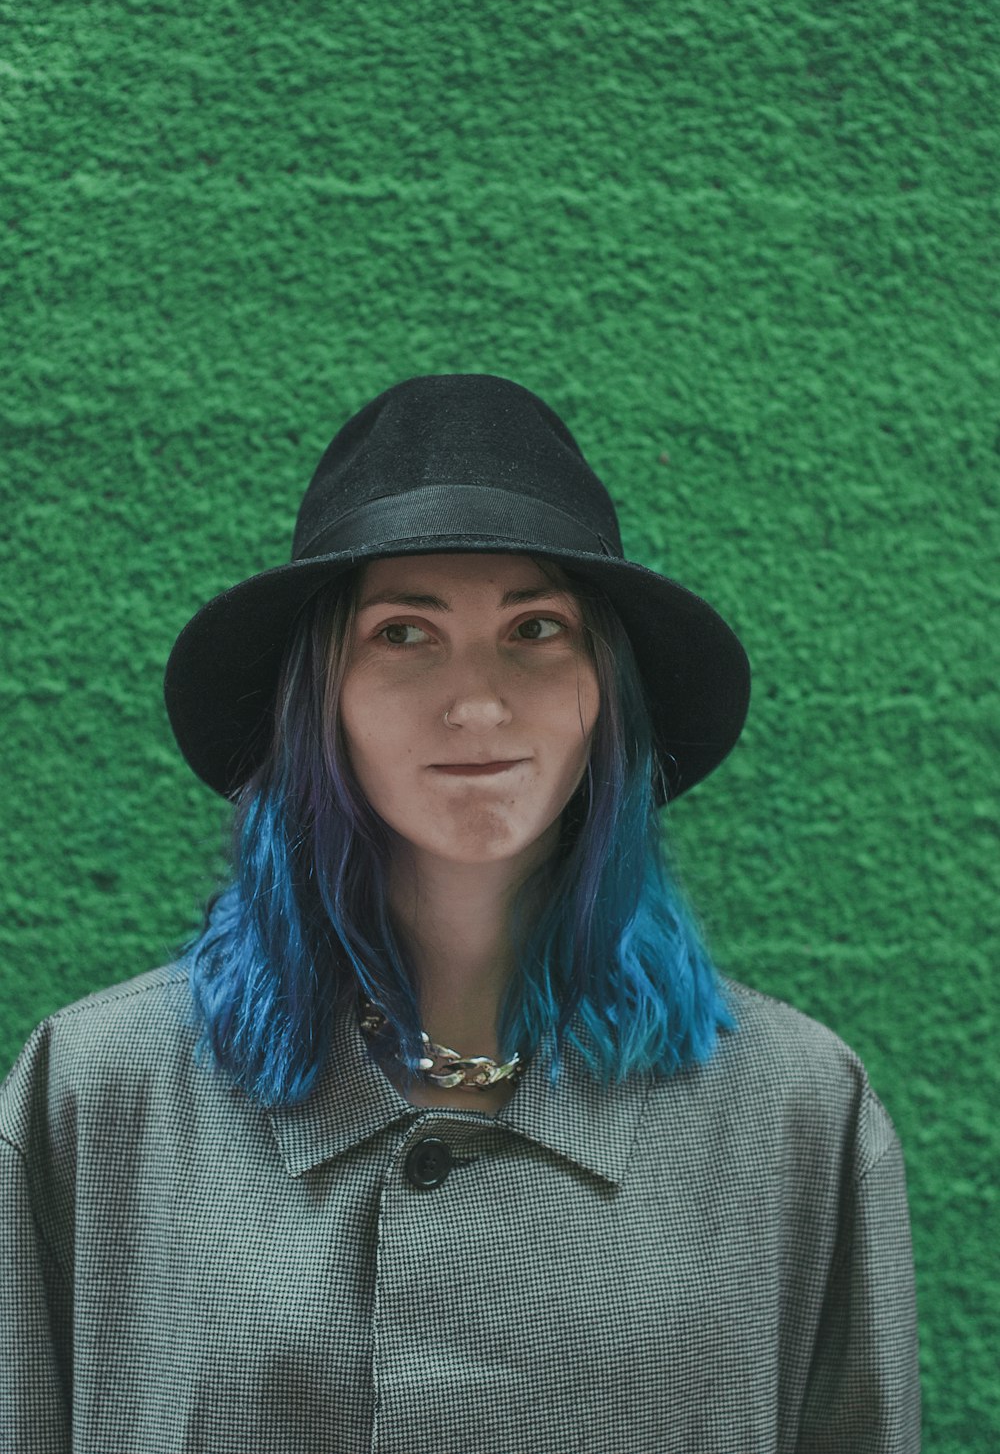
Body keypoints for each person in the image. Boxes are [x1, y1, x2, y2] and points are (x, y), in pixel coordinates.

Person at [0, 373, 920, 1452]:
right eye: (402, 633)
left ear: (603, 697)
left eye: (536, 628)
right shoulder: (100, 1096)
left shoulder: (795, 1113)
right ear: (320, 698)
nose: (478, 701)